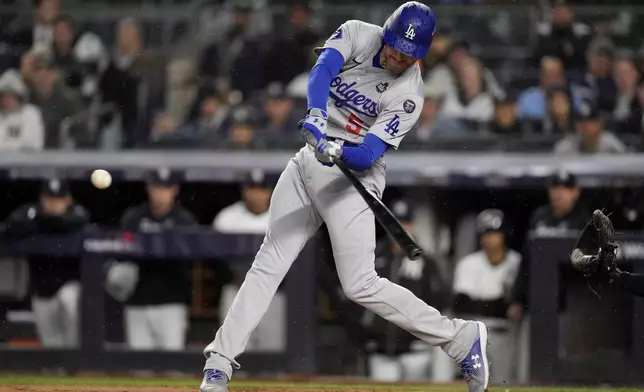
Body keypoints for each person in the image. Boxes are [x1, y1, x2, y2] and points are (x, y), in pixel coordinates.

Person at [199, 3, 490, 392]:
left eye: (408, 55)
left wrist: (340, 150)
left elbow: (369, 154)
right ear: (386, 33)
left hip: (353, 176)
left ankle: (460, 338)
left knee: (360, 285)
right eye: (394, 47)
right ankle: (219, 364)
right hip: (307, 163)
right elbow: (322, 71)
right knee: (269, 262)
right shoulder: (357, 32)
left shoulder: (410, 94)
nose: (398, 57)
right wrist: (317, 115)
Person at [106, 168, 197, 351]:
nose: (161, 193)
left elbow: (191, 258)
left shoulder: (184, 220)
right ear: (149, 188)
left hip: (171, 303)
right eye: (157, 187)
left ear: (175, 190)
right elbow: (119, 254)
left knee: (174, 368)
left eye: (166, 188)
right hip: (137, 302)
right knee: (140, 369)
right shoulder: (133, 218)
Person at [362, 200, 449, 382]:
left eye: (405, 223)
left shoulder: (425, 262)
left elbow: (440, 300)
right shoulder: (372, 257)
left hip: (416, 350)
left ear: (412, 226)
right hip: (381, 349)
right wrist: (367, 331)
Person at [3, 178, 90, 348]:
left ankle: (76, 359)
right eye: (50, 199)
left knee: (69, 301)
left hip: (69, 284)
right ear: (42, 199)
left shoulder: (77, 212)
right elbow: (11, 226)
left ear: (68, 199)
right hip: (41, 288)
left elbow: (70, 221)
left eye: (59, 199)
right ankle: (57, 369)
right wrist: (41, 220)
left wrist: (38, 221)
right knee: (51, 343)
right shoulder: (29, 211)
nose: (54, 204)